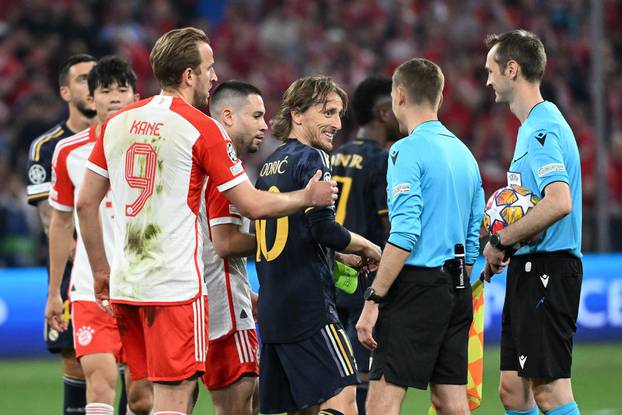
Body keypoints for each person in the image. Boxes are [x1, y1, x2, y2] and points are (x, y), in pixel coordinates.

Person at [76, 27, 337, 415]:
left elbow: (86, 203)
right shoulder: (201, 127)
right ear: (189, 75)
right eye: (209, 68)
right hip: (176, 287)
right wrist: (307, 197)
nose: (214, 77)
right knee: (174, 397)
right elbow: (250, 205)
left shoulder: (118, 122)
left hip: (127, 283)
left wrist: (101, 270)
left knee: (141, 398)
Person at [356, 58, 484, 415]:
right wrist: (454, 286)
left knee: (382, 401)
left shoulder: (404, 150)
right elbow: (474, 237)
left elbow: (405, 234)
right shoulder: (465, 154)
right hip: (456, 286)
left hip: (416, 286)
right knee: (450, 400)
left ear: (398, 95)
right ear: (440, 97)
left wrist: (373, 300)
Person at [255, 75, 382, 415]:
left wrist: (339, 255)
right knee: (344, 403)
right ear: (297, 115)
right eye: (327, 113)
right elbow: (325, 229)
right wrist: (368, 248)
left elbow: (302, 230)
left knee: (303, 408)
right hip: (310, 309)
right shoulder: (313, 159)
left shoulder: (269, 166)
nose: (336, 124)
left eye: (339, 114)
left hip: (273, 312)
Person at [482, 30, 583, 415]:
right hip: (530, 266)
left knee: (550, 392)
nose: (487, 80)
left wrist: (501, 239)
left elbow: (559, 202)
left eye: (491, 70)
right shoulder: (532, 127)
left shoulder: (541, 129)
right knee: (512, 390)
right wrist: (509, 245)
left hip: (550, 268)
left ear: (512, 69)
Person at [46, 56, 153, 415]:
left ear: (136, 97)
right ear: (92, 99)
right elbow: (61, 224)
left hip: (142, 286)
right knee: (101, 381)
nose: (114, 97)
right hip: (89, 289)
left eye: (122, 89)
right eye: (105, 90)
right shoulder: (67, 152)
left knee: (141, 399)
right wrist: (52, 292)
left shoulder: (153, 149)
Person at [26, 53, 96, 415]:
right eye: (84, 78)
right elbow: (48, 213)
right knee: (74, 358)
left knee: (129, 368)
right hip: (73, 267)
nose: (93, 85)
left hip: (123, 262)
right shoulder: (48, 146)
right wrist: (79, 253)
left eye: (96, 77)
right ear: (65, 91)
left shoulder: (120, 138)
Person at [330, 75, 400, 415]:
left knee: (338, 371)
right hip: (365, 277)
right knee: (364, 373)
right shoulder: (382, 160)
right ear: (384, 113)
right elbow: (392, 229)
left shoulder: (335, 156)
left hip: (333, 275)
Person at [200, 80, 267, 415]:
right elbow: (225, 242)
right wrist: (278, 245)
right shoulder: (222, 167)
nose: (264, 125)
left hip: (207, 297)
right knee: (240, 404)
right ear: (228, 116)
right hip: (223, 307)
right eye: (256, 115)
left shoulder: (200, 159)